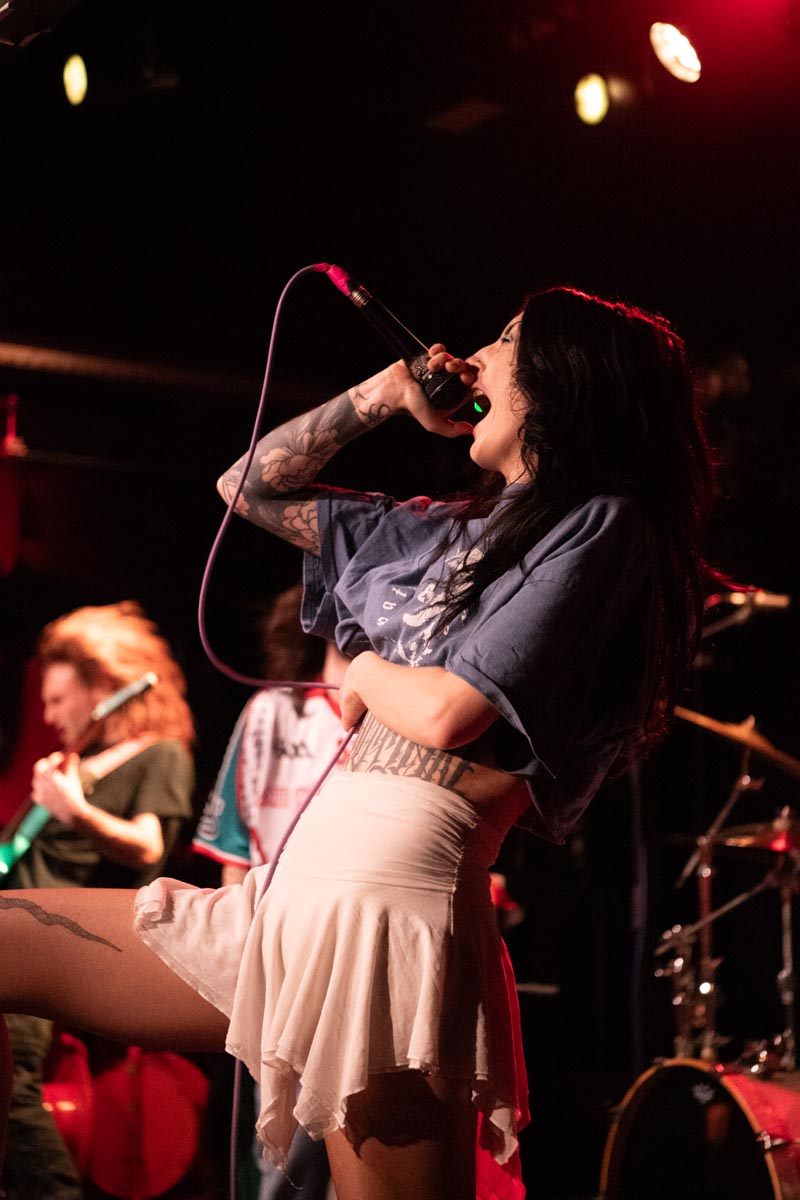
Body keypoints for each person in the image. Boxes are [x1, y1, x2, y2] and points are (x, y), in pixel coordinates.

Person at [0, 286, 716, 1200]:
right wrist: (383, 394)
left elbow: (448, 714)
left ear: (565, 380)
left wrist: (363, 670)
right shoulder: (433, 529)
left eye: (506, 341)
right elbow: (249, 487)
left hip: (390, 928)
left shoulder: (603, 525)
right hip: (282, 911)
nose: (477, 358)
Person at [1, 601, 195, 1200]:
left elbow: (148, 846)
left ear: (104, 687)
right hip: (15, 934)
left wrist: (75, 811)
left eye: (59, 699)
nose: (49, 714)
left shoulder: (161, 753)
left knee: (13, 1088)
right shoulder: (82, 762)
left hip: (53, 947)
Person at [193, 583, 348, 1200]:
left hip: (362, 956)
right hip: (280, 965)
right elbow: (234, 846)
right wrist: (238, 967)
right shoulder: (273, 712)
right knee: (284, 1160)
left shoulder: (410, 719)